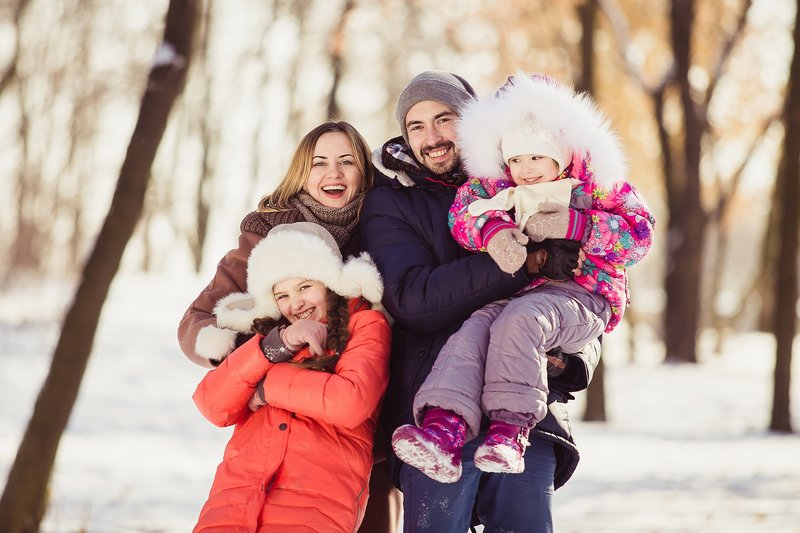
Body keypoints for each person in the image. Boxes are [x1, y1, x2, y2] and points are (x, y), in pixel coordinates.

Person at [359, 70, 603, 532]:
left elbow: (584, 293)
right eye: (416, 126)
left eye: (444, 119)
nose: (431, 137)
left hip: (528, 419)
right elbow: (414, 298)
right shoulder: (392, 203)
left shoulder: (529, 171)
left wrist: (572, 363)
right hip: (435, 413)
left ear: (472, 120)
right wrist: (527, 262)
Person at [390, 73, 655, 483]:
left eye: (536, 157)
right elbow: (464, 212)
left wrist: (579, 225)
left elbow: (640, 235)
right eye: (515, 160)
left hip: (583, 295)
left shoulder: (596, 187)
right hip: (523, 294)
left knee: (521, 322)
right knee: (473, 330)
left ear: (561, 154)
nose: (526, 170)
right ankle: (444, 428)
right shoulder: (502, 188)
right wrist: (494, 234)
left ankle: (510, 429)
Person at [177, 121, 401, 531]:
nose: (332, 173)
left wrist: (271, 382)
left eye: (346, 162)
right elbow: (199, 323)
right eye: (319, 163)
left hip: (368, 429)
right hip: (277, 430)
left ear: (363, 174)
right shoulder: (268, 238)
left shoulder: (388, 228)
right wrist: (263, 354)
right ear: (302, 172)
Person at [192, 222, 391, 532]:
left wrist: (268, 387)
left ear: (329, 281)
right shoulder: (268, 339)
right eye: (281, 295)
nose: (296, 303)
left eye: (305, 286)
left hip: (312, 509)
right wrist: (275, 346)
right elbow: (211, 404)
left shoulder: (365, 325)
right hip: (231, 508)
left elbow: (349, 402)